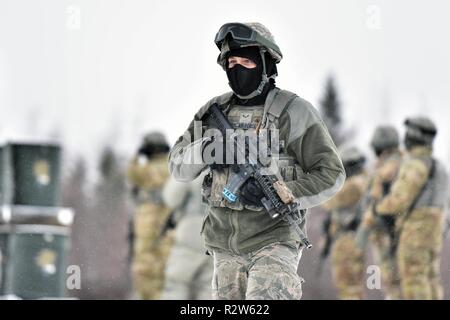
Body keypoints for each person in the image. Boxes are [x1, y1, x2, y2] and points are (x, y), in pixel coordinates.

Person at [168, 22, 345, 300]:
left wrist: (281, 191)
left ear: (265, 64)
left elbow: (331, 173)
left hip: (274, 241)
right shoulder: (214, 111)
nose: (237, 69)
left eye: (247, 61)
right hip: (223, 247)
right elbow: (177, 164)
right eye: (232, 62)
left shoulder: (293, 111)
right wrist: (208, 150)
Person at [375, 117, 449, 299]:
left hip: (415, 232)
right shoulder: (439, 166)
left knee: (414, 279)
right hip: (434, 232)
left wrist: (379, 208)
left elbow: (399, 200)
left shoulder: (416, 164)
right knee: (430, 278)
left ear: (415, 136)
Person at [356, 125, 403, 299]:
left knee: (393, 283)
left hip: (386, 231)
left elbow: (376, 200)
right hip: (394, 230)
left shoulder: (388, 167)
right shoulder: (401, 162)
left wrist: (367, 224)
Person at [126, 131, 174, 299]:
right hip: (170, 224)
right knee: (165, 268)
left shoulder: (145, 170)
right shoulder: (173, 167)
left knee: (144, 267)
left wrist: (137, 155)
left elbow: (131, 173)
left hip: (148, 222)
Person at [321, 147, 367, 299]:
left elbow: (328, 201)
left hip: (348, 239)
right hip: (351, 238)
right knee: (351, 287)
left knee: (348, 288)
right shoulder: (363, 181)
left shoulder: (355, 184)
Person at [161, 172, 214, 300]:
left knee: (176, 283)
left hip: (191, 234)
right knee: (209, 287)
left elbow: (171, 198)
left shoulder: (193, 164)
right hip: (219, 236)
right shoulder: (233, 163)